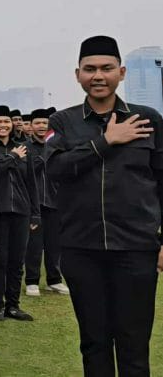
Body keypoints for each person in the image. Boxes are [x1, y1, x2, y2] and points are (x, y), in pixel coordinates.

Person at [44, 35, 163, 377]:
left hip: (136, 248)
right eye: (90, 69)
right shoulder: (62, 123)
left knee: (134, 343)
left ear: (121, 72)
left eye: (107, 68)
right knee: (94, 342)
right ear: (77, 74)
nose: (99, 75)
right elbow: (55, 169)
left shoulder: (148, 120)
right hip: (82, 249)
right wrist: (106, 141)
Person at [0, 105, 38, 322]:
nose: (3, 125)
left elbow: (32, 183)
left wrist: (35, 214)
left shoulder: (24, 147)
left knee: (17, 261)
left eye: (6, 121)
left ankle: (13, 305)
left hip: (22, 211)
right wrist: (13, 157)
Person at [23, 107, 69, 296]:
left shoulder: (58, 145)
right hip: (33, 204)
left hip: (55, 201)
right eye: (38, 123)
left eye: (45, 123)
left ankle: (54, 280)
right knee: (34, 244)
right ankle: (32, 281)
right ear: (31, 126)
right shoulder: (25, 147)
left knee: (54, 243)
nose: (41, 126)